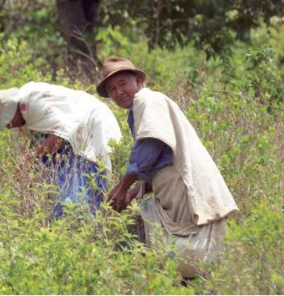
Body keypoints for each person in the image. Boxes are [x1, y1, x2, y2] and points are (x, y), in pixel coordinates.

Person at [96, 57, 238, 279]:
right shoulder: (140, 108)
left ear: (138, 81)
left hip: (182, 188)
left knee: (189, 252)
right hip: (174, 190)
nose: (118, 92)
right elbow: (158, 163)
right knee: (186, 255)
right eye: (112, 89)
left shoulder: (147, 100)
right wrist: (134, 192)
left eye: (122, 83)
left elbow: (149, 149)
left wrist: (123, 186)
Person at [0, 82, 122, 219]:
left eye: (6, 121)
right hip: (69, 140)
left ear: (10, 111)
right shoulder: (22, 117)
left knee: (76, 201)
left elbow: (66, 133)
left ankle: (79, 224)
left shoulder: (35, 101)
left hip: (89, 127)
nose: (8, 127)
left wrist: (31, 156)